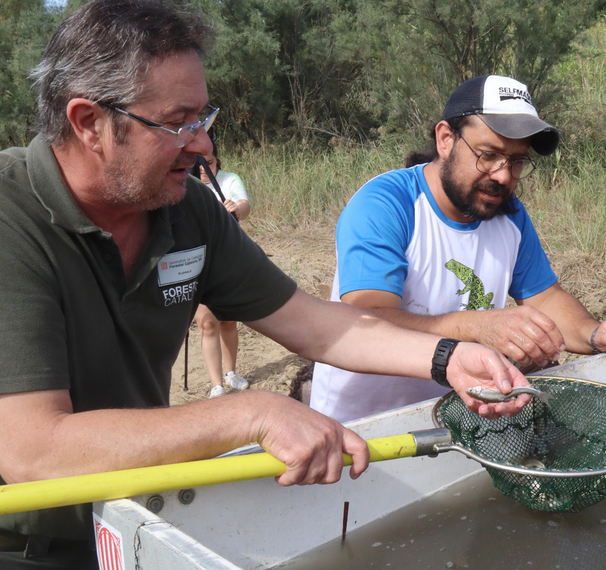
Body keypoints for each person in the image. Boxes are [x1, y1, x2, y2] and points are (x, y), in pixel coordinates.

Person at [0, 2, 529, 567]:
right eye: (178, 122)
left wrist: (448, 357)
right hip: (25, 541)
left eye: (204, 118)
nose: (203, 144)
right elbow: (34, 452)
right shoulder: (12, 217)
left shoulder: (187, 211)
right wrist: (251, 412)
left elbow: (313, 325)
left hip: (133, 513)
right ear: (89, 123)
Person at [310, 75, 606, 423]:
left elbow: (546, 299)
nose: (503, 176)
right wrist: (477, 328)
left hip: (461, 418)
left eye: (517, 161)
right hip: (362, 427)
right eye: (488, 155)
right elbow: (368, 320)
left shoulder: (508, 214)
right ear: (446, 139)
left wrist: (595, 333)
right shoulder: (387, 204)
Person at [189, 140, 252, 397]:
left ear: (217, 161)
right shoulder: (184, 185)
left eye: (210, 162)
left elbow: (244, 207)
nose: (204, 169)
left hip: (227, 258)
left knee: (228, 320)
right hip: (198, 262)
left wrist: (236, 208)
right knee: (207, 324)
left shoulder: (228, 180)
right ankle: (217, 385)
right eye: (199, 164)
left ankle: (231, 373)